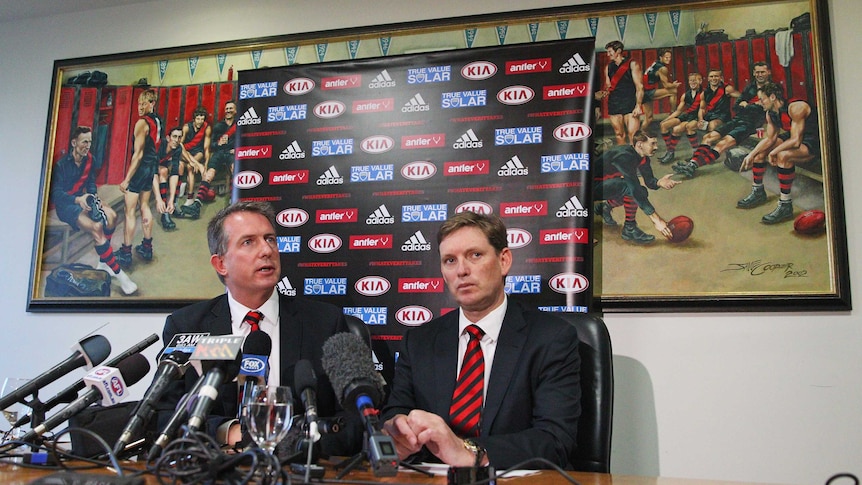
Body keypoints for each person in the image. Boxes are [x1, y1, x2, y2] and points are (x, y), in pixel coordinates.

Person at [154, 201, 360, 456]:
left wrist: (296, 443)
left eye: (270, 239)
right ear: (221, 264)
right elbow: (163, 415)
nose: (266, 250)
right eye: (249, 242)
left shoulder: (325, 322)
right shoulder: (187, 326)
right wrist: (229, 433)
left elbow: (355, 419)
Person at [381, 211, 582, 470]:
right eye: (450, 260)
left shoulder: (550, 338)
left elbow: (555, 441)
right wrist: (398, 431)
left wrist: (470, 452)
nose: (462, 270)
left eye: (475, 255)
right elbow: (395, 414)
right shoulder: (419, 341)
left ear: (504, 260)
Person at [49, 126, 137, 295]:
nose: (87, 145)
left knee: (112, 216)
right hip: (67, 205)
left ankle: (104, 262)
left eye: (89, 142)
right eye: (84, 142)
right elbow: (56, 193)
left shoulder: (90, 160)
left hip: (84, 198)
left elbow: (90, 183)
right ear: (74, 143)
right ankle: (119, 275)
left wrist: (92, 196)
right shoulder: (62, 165)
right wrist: (77, 199)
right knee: (97, 227)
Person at [673, 62, 774, 178]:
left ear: (768, 72)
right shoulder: (750, 87)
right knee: (708, 137)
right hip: (737, 119)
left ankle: (692, 166)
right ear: (753, 73)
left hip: (751, 124)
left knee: (722, 143)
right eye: (757, 72)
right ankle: (692, 164)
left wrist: (746, 105)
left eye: (762, 72)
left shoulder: (772, 89)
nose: (759, 74)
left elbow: (764, 108)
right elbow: (736, 106)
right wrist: (752, 105)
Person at [737, 82, 819, 224]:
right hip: (794, 137)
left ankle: (785, 205)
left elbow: (795, 141)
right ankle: (758, 192)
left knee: (783, 156)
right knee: (760, 153)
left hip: (815, 139)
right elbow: (770, 139)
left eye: (762, 99)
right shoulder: (771, 113)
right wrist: (751, 154)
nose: (759, 102)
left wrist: (774, 152)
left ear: (773, 97)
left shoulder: (796, 107)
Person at [594, 130, 679, 244]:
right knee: (631, 189)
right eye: (652, 143)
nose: (656, 147)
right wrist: (657, 220)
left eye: (656, 143)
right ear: (639, 144)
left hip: (607, 185)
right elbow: (633, 186)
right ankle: (630, 228)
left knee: (641, 191)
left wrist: (659, 182)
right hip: (590, 187)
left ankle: (605, 207)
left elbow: (649, 182)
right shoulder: (624, 155)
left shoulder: (643, 158)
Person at [118, 89, 161, 267]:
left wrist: (127, 179)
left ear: (152, 104)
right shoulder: (157, 121)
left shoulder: (141, 123)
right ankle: (147, 247)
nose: (140, 107)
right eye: (139, 103)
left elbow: (138, 154)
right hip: (151, 168)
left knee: (129, 211)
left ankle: (126, 253)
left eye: (145, 103)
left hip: (140, 169)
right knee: (144, 206)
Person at [601, 41, 643, 145]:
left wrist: (638, 106)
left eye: (610, 52)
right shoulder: (608, 67)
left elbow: (639, 87)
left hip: (630, 103)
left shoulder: (632, 64)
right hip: (615, 104)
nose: (608, 54)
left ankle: (636, 160)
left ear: (618, 51)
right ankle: (624, 158)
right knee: (619, 134)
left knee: (633, 135)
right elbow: (608, 86)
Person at [154, 126, 196, 230]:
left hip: (162, 163)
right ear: (168, 138)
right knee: (163, 171)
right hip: (148, 167)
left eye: (179, 137)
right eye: (174, 137)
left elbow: (174, 173)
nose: (176, 140)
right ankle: (164, 213)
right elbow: (153, 171)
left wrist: (171, 200)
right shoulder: (159, 145)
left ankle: (174, 204)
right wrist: (158, 199)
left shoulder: (178, 148)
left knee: (180, 167)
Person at [657, 72, 703, 164]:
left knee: (677, 129)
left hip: (696, 116)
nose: (692, 82)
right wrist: (667, 119)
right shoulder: (686, 95)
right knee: (663, 125)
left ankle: (696, 153)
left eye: (695, 80)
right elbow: (678, 111)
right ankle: (670, 152)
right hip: (687, 115)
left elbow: (703, 109)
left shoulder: (704, 94)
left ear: (700, 81)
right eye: (691, 80)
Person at [196, 100, 236, 203]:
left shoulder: (239, 125)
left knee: (234, 169)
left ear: (235, 111)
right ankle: (198, 202)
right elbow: (211, 145)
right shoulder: (219, 126)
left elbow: (245, 140)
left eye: (231, 108)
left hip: (231, 153)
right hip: (219, 153)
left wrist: (237, 150)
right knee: (210, 173)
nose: (228, 111)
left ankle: (234, 199)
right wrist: (218, 144)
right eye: (227, 109)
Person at [177, 106, 209, 219]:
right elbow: (180, 144)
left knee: (190, 168)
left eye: (202, 119)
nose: (200, 121)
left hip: (197, 151)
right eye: (198, 118)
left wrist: (205, 164)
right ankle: (186, 191)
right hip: (185, 151)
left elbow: (206, 148)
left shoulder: (206, 128)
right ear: (194, 119)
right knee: (189, 165)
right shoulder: (186, 127)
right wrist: (196, 163)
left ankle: (190, 198)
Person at [641, 48, 681, 129]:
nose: (669, 59)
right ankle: (673, 113)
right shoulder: (662, 68)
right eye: (666, 57)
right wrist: (674, 85)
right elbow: (666, 86)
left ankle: (642, 132)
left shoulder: (655, 63)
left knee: (649, 117)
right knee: (673, 91)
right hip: (648, 92)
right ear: (661, 57)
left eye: (669, 57)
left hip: (643, 93)